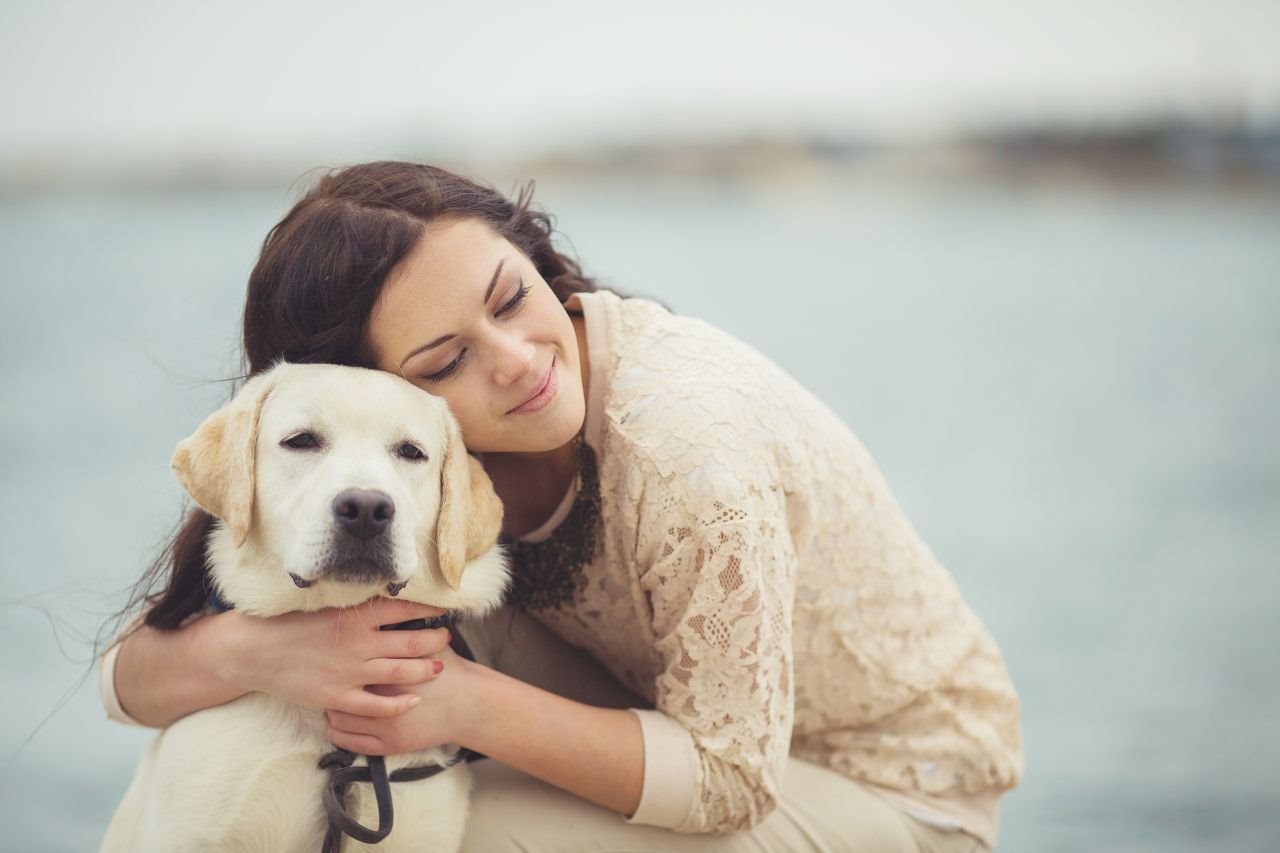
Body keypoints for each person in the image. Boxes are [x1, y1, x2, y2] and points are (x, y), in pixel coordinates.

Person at [101, 161, 1023, 851]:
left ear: (539, 256)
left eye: (511, 297)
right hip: (631, 699)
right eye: (443, 361)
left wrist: (464, 706)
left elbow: (735, 775)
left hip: (881, 789)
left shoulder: (689, 452)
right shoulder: (395, 458)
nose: (515, 359)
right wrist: (257, 652)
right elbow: (129, 678)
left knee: (463, 829)